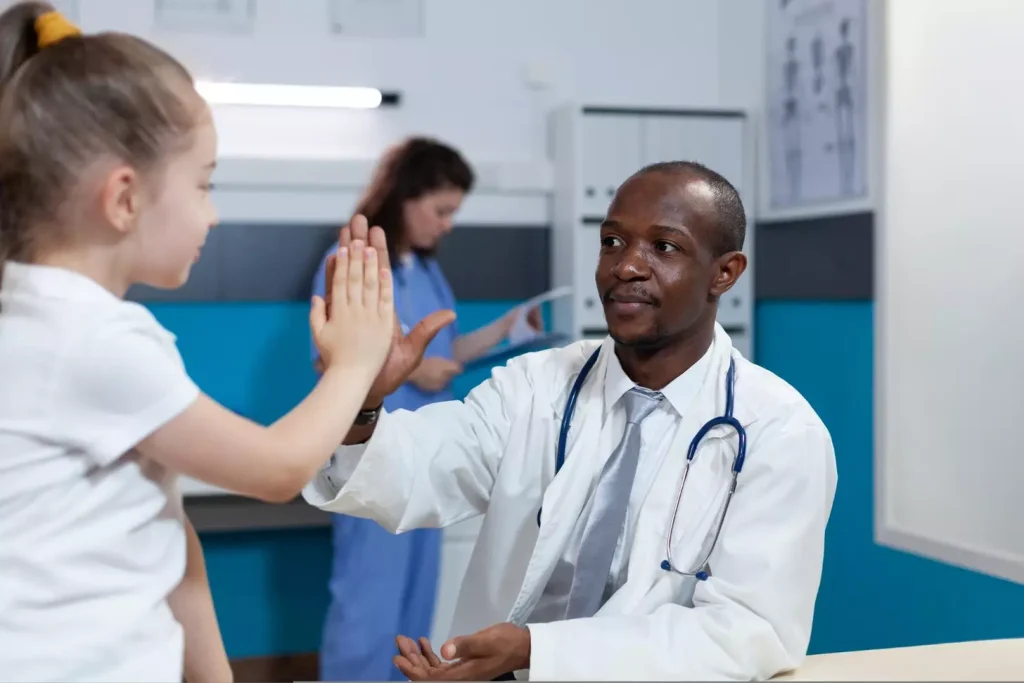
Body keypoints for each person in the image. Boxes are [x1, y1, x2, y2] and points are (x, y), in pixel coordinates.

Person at [0, 4, 439, 681]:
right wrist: (354, 361)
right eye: (204, 184)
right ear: (123, 199)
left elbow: (167, 531)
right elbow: (276, 468)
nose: (212, 211)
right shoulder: (91, 338)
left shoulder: (44, 320)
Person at [303, 160, 839, 680]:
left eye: (664, 247)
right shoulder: (537, 384)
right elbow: (416, 472)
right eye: (612, 242)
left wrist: (538, 652)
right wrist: (360, 398)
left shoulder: (779, 432)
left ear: (725, 273)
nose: (626, 265)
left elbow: (748, 631)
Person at [310, 136, 540, 682]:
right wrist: (413, 372)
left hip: (428, 459)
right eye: (440, 210)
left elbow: (441, 352)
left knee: (415, 611)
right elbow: (338, 360)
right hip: (371, 453)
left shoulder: (428, 272)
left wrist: (503, 333)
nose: (447, 224)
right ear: (404, 197)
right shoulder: (356, 265)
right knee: (368, 604)